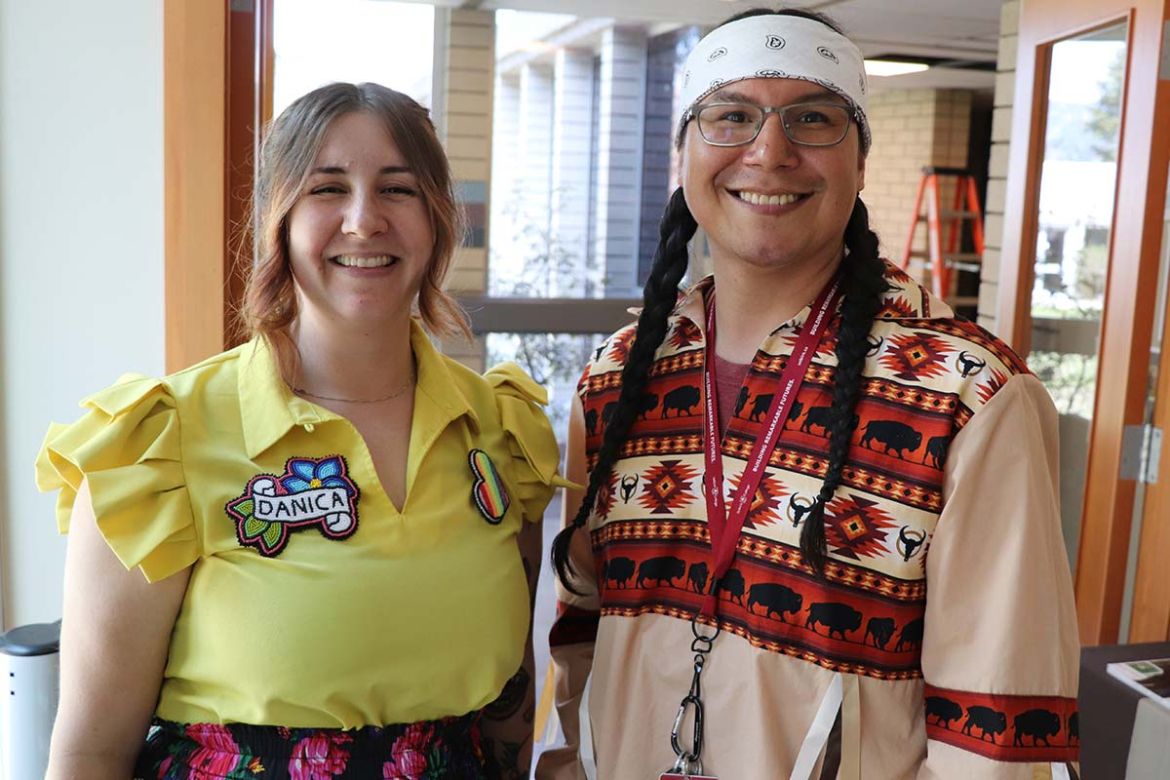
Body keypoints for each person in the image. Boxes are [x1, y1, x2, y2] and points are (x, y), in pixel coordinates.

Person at [537, 8, 1080, 780]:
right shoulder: (620, 378)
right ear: (684, 152)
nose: (770, 151)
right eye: (731, 116)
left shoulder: (969, 396)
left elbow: (1000, 733)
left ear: (860, 160)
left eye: (813, 118)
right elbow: (582, 630)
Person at [37, 82, 566, 779]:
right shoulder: (158, 443)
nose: (362, 219)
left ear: (437, 218)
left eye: (398, 189)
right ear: (278, 220)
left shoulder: (500, 431)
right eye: (327, 188)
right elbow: (89, 752)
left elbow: (507, 714)